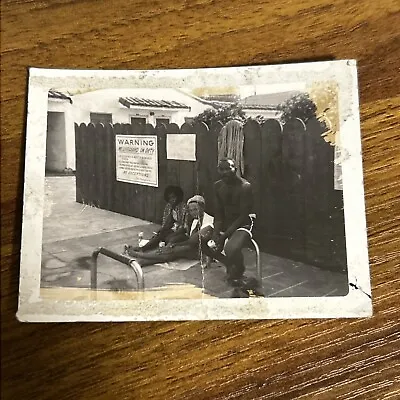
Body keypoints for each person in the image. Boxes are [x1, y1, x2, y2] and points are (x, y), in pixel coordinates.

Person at [124, 195, 214, 266]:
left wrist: (174, 245)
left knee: (175, 249)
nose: (193, 212)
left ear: (202, 207)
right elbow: (185, 231)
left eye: (195, 209)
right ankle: (143, 262)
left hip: (203, 252)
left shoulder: (209, 221)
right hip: (194, 247)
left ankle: (140, 255)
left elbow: (192, 241)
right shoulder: (195, 220)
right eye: (191, 210)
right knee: (173, 251)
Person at [211, 158, 256, 286]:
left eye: (228, 168)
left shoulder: (245, 187)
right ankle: (230, 265)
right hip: (225, 223)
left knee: (230, 248)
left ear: (235, 169)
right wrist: (216, 233)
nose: (225, 172)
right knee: (201, 241)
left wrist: (224, 236)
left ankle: (238, 269)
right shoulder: (217, 186)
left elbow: (242, 216)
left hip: (243, 224)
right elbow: (218, 213)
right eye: (221, 169)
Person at [133, 185, 188, 252]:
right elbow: (167, 222)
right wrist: (162, 230)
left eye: (173, 197)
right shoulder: (169, 206)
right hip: (174, 229)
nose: (172, 200)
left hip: (182, 232)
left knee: (168, 238)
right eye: (169, 198)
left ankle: (159, 249)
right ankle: (144, 248)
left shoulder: (184, 207)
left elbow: (185, 227)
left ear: (178, 196)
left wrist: (172, 233)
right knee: (160, 235)